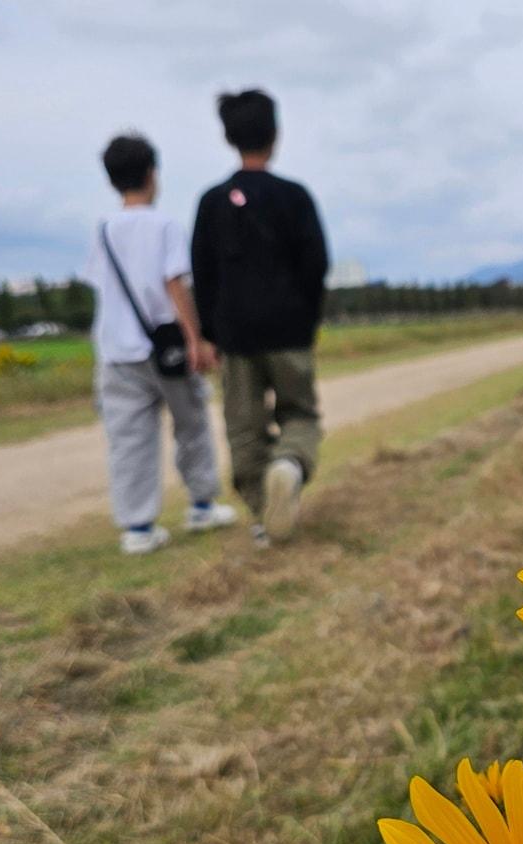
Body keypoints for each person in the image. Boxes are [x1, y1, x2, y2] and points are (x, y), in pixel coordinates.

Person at [83, 133, 237, 555]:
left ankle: (137, 526)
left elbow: (101, 285)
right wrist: (196, 339)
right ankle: (202, 504)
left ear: (112, 180)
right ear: (153, 174)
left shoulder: (102, 231)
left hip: (116, 351)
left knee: (129, 439)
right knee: (192, 426)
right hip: (166, 348)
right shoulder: (165, 225)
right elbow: (175, 283)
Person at [191, 88, 330, 545]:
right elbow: (316, 265)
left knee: (244, 427)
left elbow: (203, 274)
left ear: (229, 137)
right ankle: (289, 466)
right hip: (289, 328)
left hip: (234, 334)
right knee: (300, 414)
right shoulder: (294, 197)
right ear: (276, 135)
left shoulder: (212, 203)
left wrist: (207, 334)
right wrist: (307, 322)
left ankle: (260, 519)